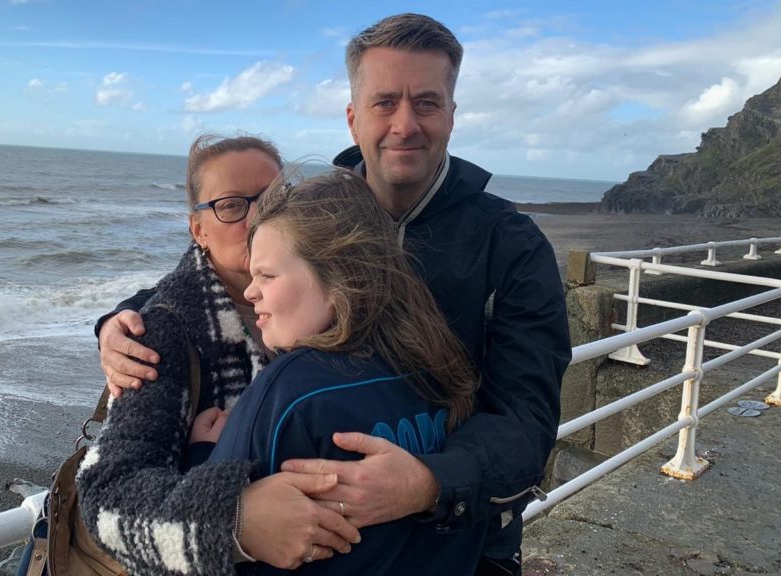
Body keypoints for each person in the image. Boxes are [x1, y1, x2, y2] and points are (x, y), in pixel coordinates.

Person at [97, 14, 571, 575]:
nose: (404, 124)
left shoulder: (509, 246)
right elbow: (228, 274)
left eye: (426, 103)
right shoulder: (314, 211)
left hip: (460, 545)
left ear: (450, 114)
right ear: (352, 117)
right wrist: (122, 320)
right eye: (384, 102)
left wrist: (427, 482)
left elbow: (527, 419)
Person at [76, 134, 360, 576]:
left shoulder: (334, 301)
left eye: (272, 199)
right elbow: (107, 499)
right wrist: (234, 523)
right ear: (198, 230)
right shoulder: (166, 332)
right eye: (231, 206)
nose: (258, 218)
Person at [203, 169, 483, 574]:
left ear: (340, 280)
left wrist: (202, 452)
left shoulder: (290, 391)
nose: (250, 291)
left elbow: (200, 532)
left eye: (267, 275)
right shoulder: (438, 365)